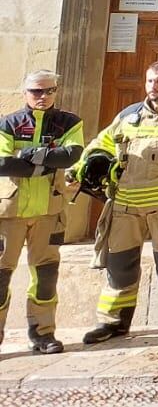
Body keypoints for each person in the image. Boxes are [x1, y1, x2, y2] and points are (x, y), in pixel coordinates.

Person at [80, 61, 158, 346]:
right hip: (125, 206)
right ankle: (112, 321)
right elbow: (101, 143)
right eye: (149, 81)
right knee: (119, 266)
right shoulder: (129, 116)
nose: (153, 87)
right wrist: (88, 163)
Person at [0, 71, 82, 355]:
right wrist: (45, 162)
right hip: (9, 214)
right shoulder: (8, 123)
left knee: (46, 276)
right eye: (36, 91)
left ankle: (43, 333)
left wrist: (26, 157)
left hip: (50, 211)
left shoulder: (69, 122)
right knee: (0, 277)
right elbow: (2, 163)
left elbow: (71, 155)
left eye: (48, 91)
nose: (42, 96)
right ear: (25, 93)